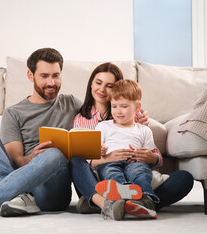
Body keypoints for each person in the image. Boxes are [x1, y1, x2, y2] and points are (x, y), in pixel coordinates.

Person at [0, 47, 82, 218]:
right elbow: (16, 161)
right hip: (25, 180)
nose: (51, 83)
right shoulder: (14, 113)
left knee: (55, 153)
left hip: (52, 193)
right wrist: (33, 158)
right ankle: (20, 198)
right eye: (44, 76)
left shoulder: (72, 103)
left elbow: (99, 118)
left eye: (55, 75)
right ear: (30, 75)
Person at [69, 62, 194, 220]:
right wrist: (106, 158)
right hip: (100, 177)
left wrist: (151, 157)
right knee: (76, 160)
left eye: (109, 86)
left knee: (184, 178)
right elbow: (85, 161)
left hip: (136, 169)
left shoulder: (135, 118)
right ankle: (108, 202)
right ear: (91, 83)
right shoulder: (83, 119)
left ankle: (124, 204)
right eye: (98, 83)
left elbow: (151, 150)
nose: (101, 89)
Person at [95, 79, 159, 219]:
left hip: (134, 162)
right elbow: (93, 154)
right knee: (110, 171)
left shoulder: (144, 130)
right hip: (110, 162)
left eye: (124, 106)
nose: (118, 111)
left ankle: (145, 200)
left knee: (140, 172)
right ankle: (121, 196)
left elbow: (150, 153)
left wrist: (145, 156)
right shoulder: (103, 127)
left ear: (137, 107)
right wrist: (101, 152)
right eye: (114, 106)